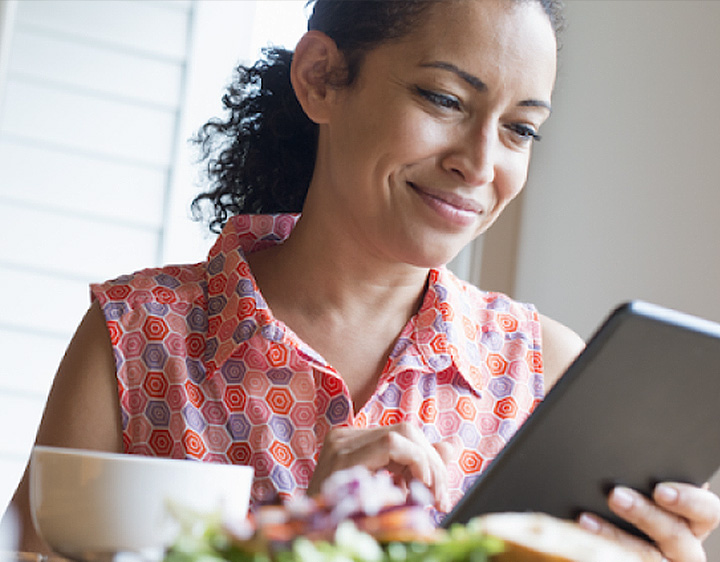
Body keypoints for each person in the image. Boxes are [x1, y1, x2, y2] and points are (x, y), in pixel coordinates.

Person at [3, 0, 719, 559]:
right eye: (444, 99)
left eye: (520, 130)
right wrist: (304, 542)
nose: (480, 162)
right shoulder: (136, 339)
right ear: (321, 77)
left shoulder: (548, 374)